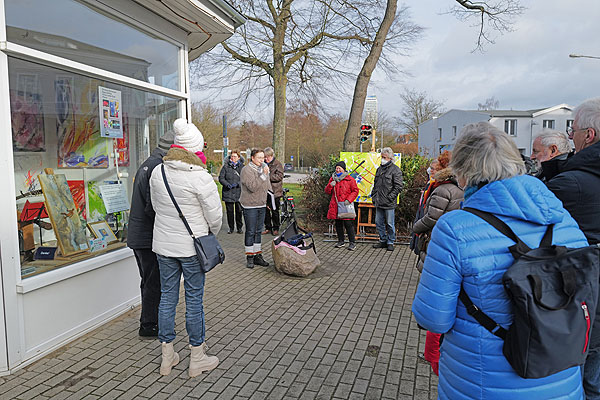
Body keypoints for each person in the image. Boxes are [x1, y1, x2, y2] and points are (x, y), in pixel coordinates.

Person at [412, 122, 588, 399]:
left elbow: (433, 318)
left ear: (463, 171)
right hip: (561, 376)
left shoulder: (455, 228)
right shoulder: (564, 219)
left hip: (482, 379)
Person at [149, 118, 222, 377]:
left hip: (164, 247)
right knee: (194, 300)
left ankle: (167, 357)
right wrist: (209, 233)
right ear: (196, 148)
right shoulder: (200, 176)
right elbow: (215, 216)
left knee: (167, 297)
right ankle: (197, 357)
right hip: (191, 248)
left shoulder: (158, 171)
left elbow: (157, 208)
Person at [546, 98, 600, 398]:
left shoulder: (571, 184)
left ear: (588, 136)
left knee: (577, 386)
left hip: (582, 310)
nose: (571, 136)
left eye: (574, 129)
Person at [127, 131, 174, 338]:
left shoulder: (150, 162)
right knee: (153, 281)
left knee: (148, 280)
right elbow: (151, 207)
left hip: (140, 235)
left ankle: (149, 321)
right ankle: (149, 326)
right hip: (146, 236)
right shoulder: (157, 168)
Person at [412, 151, 463, 272]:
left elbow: (432, 217)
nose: (431, 171)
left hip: (436, 236)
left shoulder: (442, 190)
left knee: (431, 274)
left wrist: (416, 227)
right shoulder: (457, 187)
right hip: (449, 238)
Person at [240, 148, 271, 269]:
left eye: (263, 157)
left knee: (258, 231)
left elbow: (266, 185)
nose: (261, 160)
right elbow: (252, 187)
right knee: (251, 231)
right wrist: (263, 175)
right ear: (252, 158)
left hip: (261, 204)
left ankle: (258, 255)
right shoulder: (246, 170)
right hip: (250, 205)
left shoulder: (263, 169)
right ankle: (250, 256)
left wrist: (269, 200)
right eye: (259, 157)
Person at [370, 147, 403, 251]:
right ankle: (383, 240)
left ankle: (390, 241)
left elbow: (398, 186)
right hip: (379, 201)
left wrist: (390, 197)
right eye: (382, 157)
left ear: (390, 158)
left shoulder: (395, 170)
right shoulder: (379, 169)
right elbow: (376, 184)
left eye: (384, 157)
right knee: (378, 222)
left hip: (389, 203)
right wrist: (374, 195)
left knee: (389, 223)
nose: (382, 159)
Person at [324, 161, 359, 251]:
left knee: (348, 224)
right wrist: (330, 186)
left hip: (346, 204)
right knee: (338, 223)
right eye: (337, 168)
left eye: (340, 168)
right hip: (335, 204)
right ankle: (341, 241)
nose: (338, 169)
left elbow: (355, 191)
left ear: (344, 169)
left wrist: (349, 200)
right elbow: (327, 191)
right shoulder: (333, 179)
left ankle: (352, 242)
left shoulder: (350, 179)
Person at [409, 159, 440, 256]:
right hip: (424, 225)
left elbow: (433, 215)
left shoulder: (439, 187)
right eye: (431, 168)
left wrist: (418, 227)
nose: (431, 171)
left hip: (429, 231)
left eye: (434, 169)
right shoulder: (431, 183)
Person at [219, 150, 244, 234]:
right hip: (228, 192)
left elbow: (245, 178)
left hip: (239, 192)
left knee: (239, 211)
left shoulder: (242, 167)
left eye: (235, 156)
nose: (233, 158)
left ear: (239, 158)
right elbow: (221, 178)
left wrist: (238, 184)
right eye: (232, 156)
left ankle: (239, 227)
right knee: (229, 212)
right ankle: (231, 227)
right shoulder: (225, 167)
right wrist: (227, 184)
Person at [263, 147, 284, 235]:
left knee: (274, 211)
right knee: (265, 211)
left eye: (268, 157)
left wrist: (268, 177)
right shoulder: (263, 164)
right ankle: (268, 227)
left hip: (275, 192)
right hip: (265, 192)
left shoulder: (277, 164)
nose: (266, 159)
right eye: (265, 157)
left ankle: (276, 228)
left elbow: (279, 176)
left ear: (271, 156)